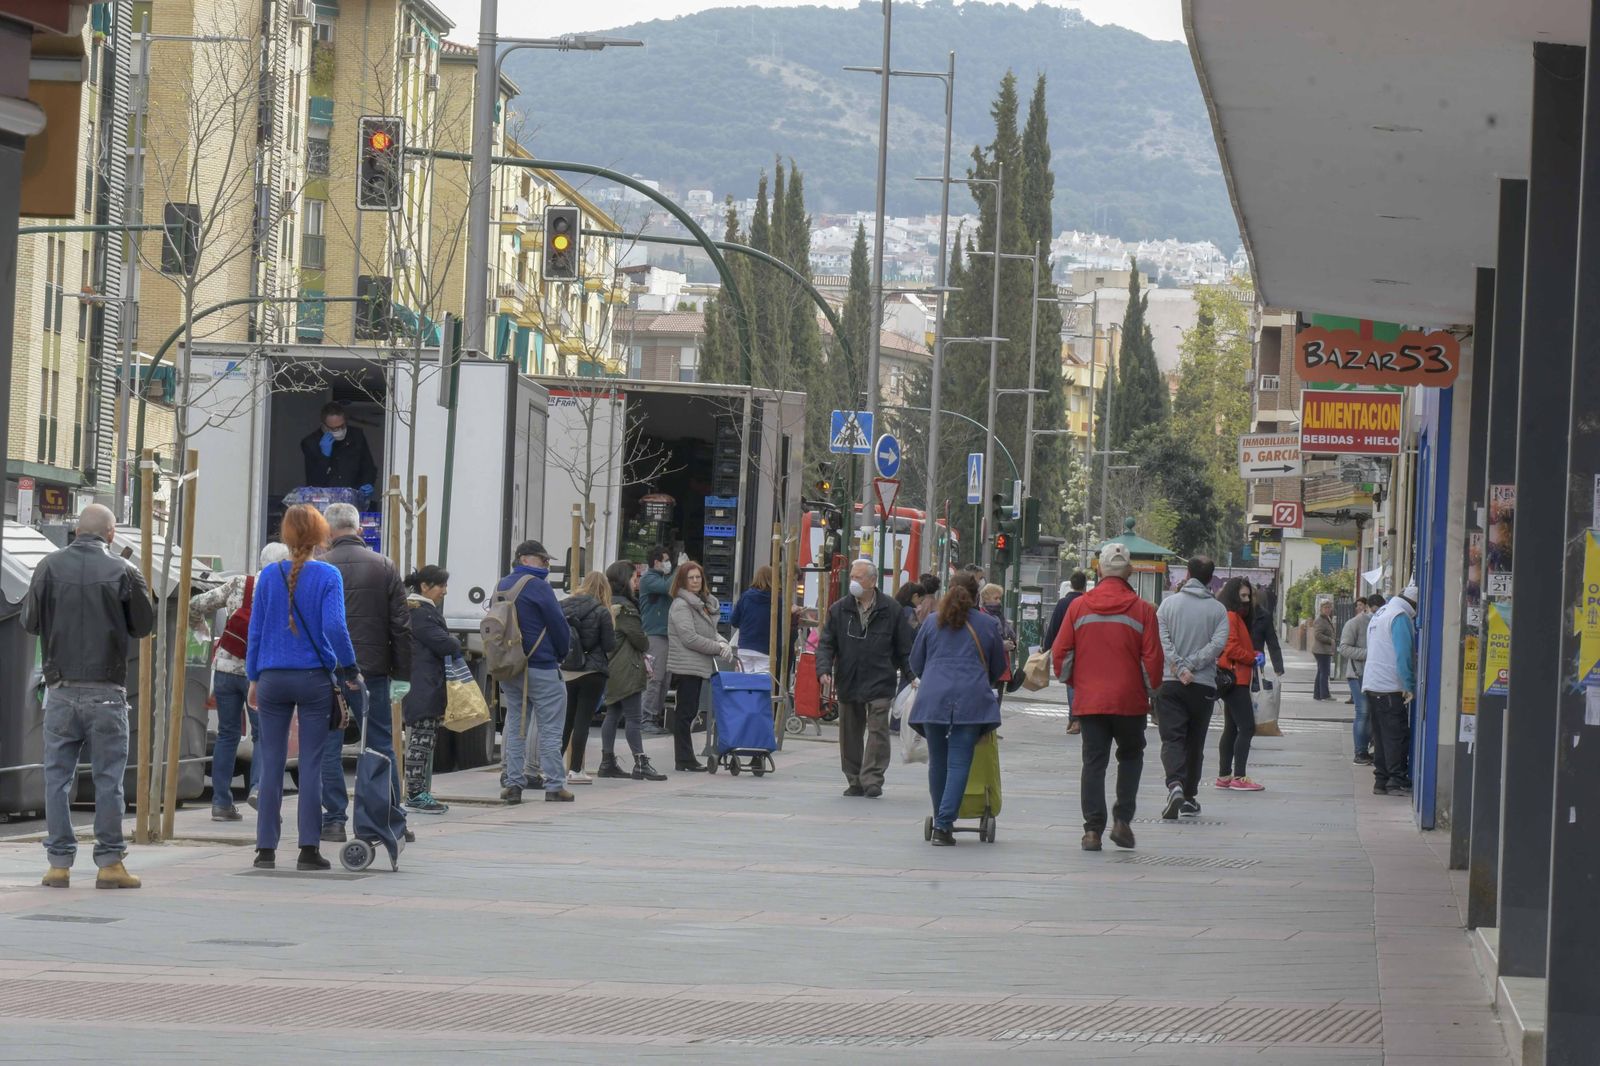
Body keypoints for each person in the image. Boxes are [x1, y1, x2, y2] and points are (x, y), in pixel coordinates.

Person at [23, 504, 155, 889]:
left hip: (61, 690)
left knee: (56, 779)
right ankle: (110, 864)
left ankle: (59, 864)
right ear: (111, 534)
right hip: (107, 693)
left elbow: (29, 622)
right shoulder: (124, 571)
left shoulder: (48, 566)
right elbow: (144, 626)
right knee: (108, 780)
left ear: (76, 530)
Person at [245, 504, 358, 872]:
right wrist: (351, 668)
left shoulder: (267, 576)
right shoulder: (328, 576)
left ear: (286, 535)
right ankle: (309, 848)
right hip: (313, 680)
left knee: (273, 763)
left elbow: (256, 632)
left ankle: (265, 849)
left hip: (272, 678)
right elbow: (336, 628)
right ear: (320, 536)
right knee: (310, 763)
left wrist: (253, 677)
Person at [1052, 542, 1162, 851]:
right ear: (1129, 571)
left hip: (1091, 701)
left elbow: (1061, 654)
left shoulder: (1078, 607)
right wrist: (1150, 692)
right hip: (1129, 701)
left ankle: (1092, 831)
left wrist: (1076, 682)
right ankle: (1122, 820)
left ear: (1098, 570)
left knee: (1093, 762)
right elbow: (1152, 660)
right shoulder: (1143, 610)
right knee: (1130, 755)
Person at [320, 502, 410, 843]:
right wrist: (402, 674)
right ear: (358, 529)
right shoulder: (384, 566)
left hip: (329, 672)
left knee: (329, 745)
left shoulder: (320, 567)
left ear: (328, 532)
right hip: (372, 672)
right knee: (381, 744)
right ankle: (390, 816)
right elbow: (401, 626)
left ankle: (333, 820)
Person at [188, 542, 291, 820]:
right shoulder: (284, 590)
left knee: (227, 735)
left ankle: (221, 802)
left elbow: (196, 604)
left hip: (225, 668)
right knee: (264, 736)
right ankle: (258, 789)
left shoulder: (238, 583)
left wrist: (200, 628)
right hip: (261, 674)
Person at [907, 573, 1006, 845]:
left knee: (937, 761)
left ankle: (942, 822)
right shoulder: (987, 624)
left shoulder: (931, 622)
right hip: (971, 699)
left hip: (933, 698)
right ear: (977, 596)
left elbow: (916, 662)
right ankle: (943, 823)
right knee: (960, 761)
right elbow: (998, 666)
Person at [815, 560, 915, 798]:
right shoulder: (839, 609)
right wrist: (823, 669)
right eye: (852, 577)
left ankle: (872, 779)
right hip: (849, 678)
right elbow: (827, 642)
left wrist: (912, 675)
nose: (853, 582)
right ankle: (854, 778)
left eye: (859, 578)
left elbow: (904, 648)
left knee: (878, 729)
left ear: (872, 581)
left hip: (880, 679)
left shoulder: (891, 609)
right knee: (850, 732)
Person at [495, 540, 573, 802]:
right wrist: (561, 654)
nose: (547, 564)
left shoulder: (502, 585)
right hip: (541, 666)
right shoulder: (539, 587)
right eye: (543, 559)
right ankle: (555, 786)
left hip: (510, 667)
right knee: (551, 729)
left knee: (516, 726)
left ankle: (513, 784)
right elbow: (559, 626)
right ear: (525, 559)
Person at [1154, 555, 1230, 820]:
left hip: (1171, 682)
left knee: (1172, 738)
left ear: (1187, 573)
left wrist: (1179, 666)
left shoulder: (1167, 605)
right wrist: (1193, 666)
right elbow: (1217, 646)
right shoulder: (1218, 610)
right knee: (1195, 741)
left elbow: (1162, 640)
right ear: (1211, 577)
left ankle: (1174, 784)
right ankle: (1189, 796)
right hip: (1203, 685)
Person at [596, 561, 667, 782]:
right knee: (634, 718)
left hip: (611, 666)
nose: (636, 582)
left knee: (613, 714)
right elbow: (640, 640)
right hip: (628, 667)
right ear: (623, 580)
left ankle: (607, 761)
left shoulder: (606, 603)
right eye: (633, 578)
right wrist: (644, 640)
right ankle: (640, 762)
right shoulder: (626, 608)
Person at [400, 565, 459, 815]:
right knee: (421, 740)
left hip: (423, 683)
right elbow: (444, 643)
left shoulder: (417, 610)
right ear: (425, 587)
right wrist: (455, 641)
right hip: (422, 685)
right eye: (441, 586)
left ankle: (418, 790)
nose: (445, 591)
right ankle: (415, 793)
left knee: (423, 738)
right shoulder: (421, 613)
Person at [666, 561, 730, 772]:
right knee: (685, 713)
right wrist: (717, 647)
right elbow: (689, 638)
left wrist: (722, 641)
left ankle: (685, 758)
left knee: (689, 711)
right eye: (691, 577)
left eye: (698, 577)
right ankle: (684, 759)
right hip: (686, 666)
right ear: (683, 581)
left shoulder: (700, 604)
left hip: (696, 665)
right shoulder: (681, 605)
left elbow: (708, 631)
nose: (695, 581)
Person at [560, 570, 617, 784]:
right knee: (582, 721)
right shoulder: (602, 611)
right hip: (593, 671)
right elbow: (609, 645)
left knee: (566, 721)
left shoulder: (564, 605)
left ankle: (553, 768)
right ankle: (576, 770)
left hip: (568, 670)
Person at [1364, 582, 1419, 797]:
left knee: (1380, 734)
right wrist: (1408, 684)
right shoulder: (1400, 617)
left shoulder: (1381, 613)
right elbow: (1404, 653)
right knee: (1396, 734)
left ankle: (1381, 779)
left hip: (1372, 683)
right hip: (1389, 686)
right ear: (1413, 604)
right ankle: (1396, 780)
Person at [1214, 578, 1264, 793]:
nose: (1246, 600)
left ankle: (1225, 775)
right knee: (1247, 727)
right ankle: (1239, 776)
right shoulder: (1232, 616)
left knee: (1232, 728)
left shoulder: (1233, 616)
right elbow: (1232, 648)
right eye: (1242, 596)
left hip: (1234, 678)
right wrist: (1253, 657)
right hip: (1237, 678)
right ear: (1233, 596)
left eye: (1248, 596)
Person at [299, 401, 377, 501]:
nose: (339, 430)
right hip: (324, 501)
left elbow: (368, 467)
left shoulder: (356, 436)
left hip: (352, 499)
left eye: (342, 426)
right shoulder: (311, 443)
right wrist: (324, 456)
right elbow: (313, 482)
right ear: (323, 426)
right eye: (334, 428)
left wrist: (367, 483)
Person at [1043, 571, 1089, 734]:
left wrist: (1046, 647)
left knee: (1071, 683)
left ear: (1071, 584)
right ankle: (1078, 717)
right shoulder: (1087, 602)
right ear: (1085, 585)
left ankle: (1074, 718)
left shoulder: (1063, 603)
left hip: (1066, 648)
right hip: (1084, 648)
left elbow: (1054, 626)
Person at [638, 546, 675, 733]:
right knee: (655, 677)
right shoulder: (649, 578)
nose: (669, 564)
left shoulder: (660, 577)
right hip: (655, 635)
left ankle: (654, 717)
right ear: (657, 562)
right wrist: (679, 571)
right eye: (666, 560)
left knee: (664, 679)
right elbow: (668, 587)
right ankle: (647, 718)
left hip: (666, 634)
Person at [1339, 595, 1380, 764]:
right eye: (1375, 610)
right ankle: (1360, 752)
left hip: (1374, 675)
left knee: (1371, 712)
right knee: (1363, 711)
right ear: (1368, 608)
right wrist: (1368, 654)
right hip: (1357, 675)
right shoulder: (1354, 623)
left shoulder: (1381, 622)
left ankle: (1367, 749)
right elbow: (1344, 648)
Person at [728, 565, 775, 673]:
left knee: (743, 682)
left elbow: (734, 621)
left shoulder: (746, 597)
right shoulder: (776, 600)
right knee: (760, 684)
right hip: (766, 648)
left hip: (745, 646)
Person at [979, 583, 1017, 702]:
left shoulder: (1000, 616)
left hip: (1001, 666)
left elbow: (1009, 634)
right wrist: (1002, 645)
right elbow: (983, 640)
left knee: (996, 702)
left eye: (1000, 598)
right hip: (988, 667)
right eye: (996, 598)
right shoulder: (982, 615)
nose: (999, 601)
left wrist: (1012, 643)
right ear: (985, 598)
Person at [1249, 584, 1285, 678]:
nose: (1249, 598)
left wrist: (1278, 667)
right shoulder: (1237, 614)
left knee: (1256, 689)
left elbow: (1272, 642)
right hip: (1239, 661)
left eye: (1252, 595)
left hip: (1257, 661)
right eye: (1245, 595)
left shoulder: (1264, 616)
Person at [1311, 599, 1337, 701]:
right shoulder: (1320, 620)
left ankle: (1317, 694)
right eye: (1325, 607)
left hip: (1323, 650)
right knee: (1324, 672)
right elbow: (1317, 635)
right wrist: (1330, 640)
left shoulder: (1326, 618)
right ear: (1321, 609)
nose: (1327, 610)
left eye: (1329, 607)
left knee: (1321, 672)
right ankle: (1324, 695)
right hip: (1321, 650)